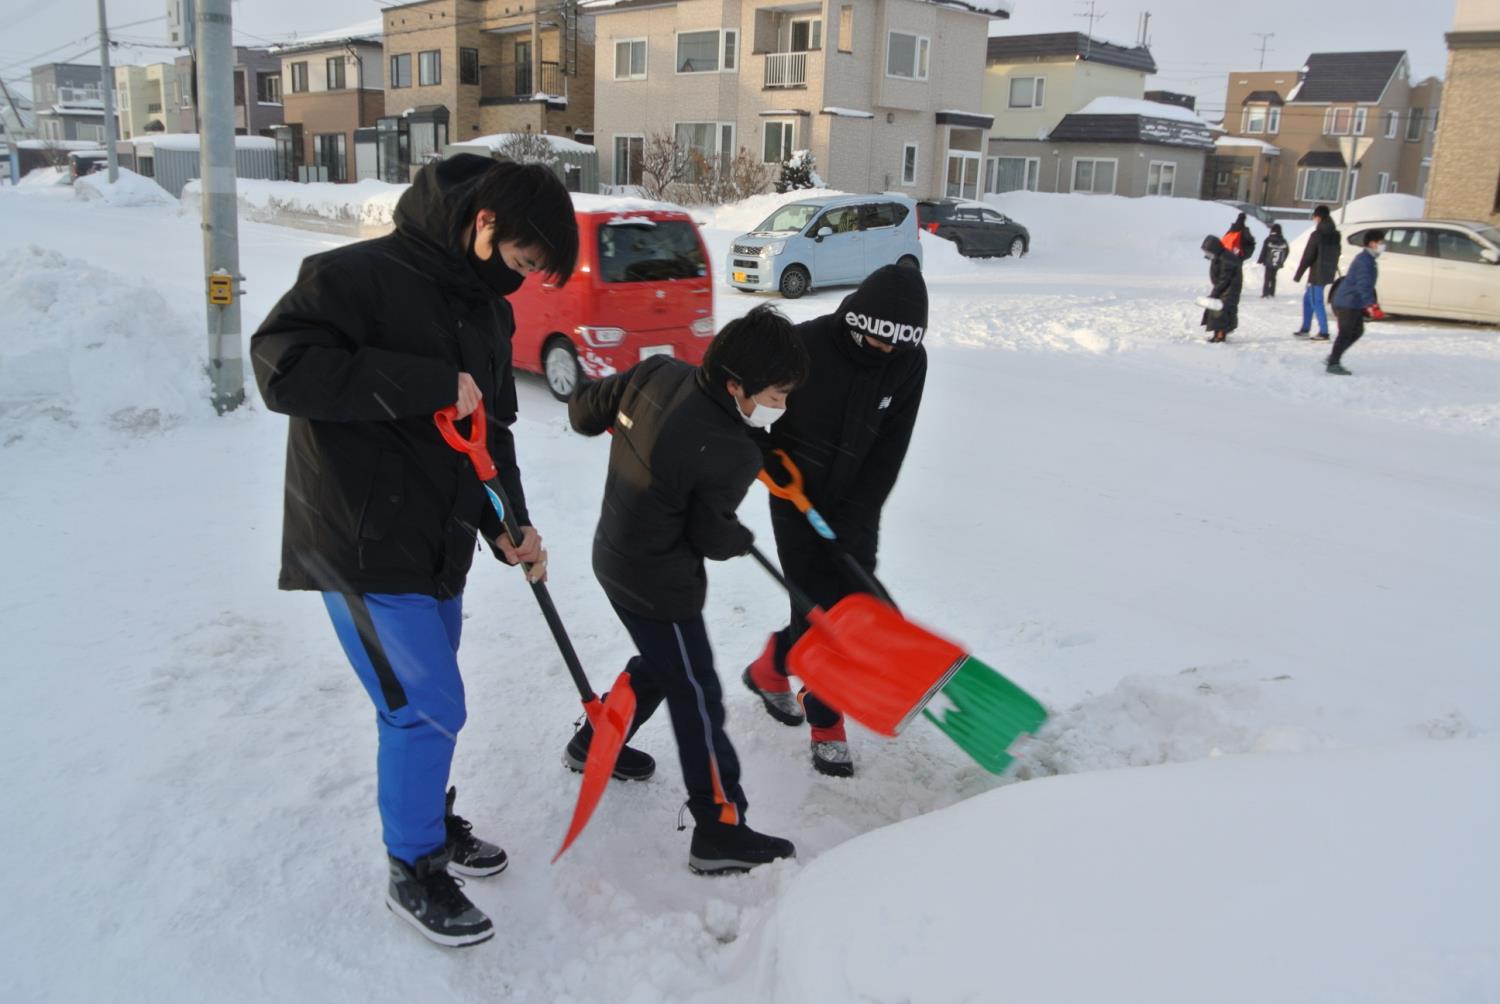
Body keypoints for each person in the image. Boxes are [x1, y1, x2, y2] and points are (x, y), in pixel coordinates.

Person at [251, 154, 579, 948]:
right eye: (524, 262)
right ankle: (413, 867)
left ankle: (427, 814)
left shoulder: (487, 312)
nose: (524, 283)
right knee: (426, 705)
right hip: (357, 542)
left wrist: (511, 524)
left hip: (436, 543)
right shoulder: (353, 276)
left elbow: (490, 432)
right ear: (485, 224)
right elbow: (281, 367)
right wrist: (423, 381)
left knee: (426, 712)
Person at [560, 305, 809, 875]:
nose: (782, 406)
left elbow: (582, 413)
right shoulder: (735, 451)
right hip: (660, 586)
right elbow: (708, 535)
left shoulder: (657, 372)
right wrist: (736, 531)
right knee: (697, 695)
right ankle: (720, 829)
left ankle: (595, 743)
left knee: (661, 663)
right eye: (776, 393)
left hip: (612, 558)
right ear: (736, 383)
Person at [742, 265, 928, 777]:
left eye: (897, 346)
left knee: (853, 605)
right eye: (876, 338)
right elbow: (748, 411)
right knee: (817, 610)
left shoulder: (909, 361)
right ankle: (826, 723)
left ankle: (769, 667)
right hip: (795, 492)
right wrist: (767, 458)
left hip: (856, 503)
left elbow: (892, 445)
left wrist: (862, 512)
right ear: (855, 319)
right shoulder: (803, 346)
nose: (884, 351)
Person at [1326, 229, 1384, 375]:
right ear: (1372, 244)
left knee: (1357, 331)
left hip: (1353, 302)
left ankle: (1334, 357)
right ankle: (1333, 363)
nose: (1383, 246)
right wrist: (1371, 305)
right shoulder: (1364, 261)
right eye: (1381, 243)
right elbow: (1363, 285)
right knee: (1345, 333)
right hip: (1347, 301)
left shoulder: (1369, 259)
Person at [1293, 204, 1340, 340]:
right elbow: (1338, 252)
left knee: (1316, 301)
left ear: (1318, 217)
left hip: (1317, 274)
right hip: (1327, 272)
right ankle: (1305, 328)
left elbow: (1308, 256)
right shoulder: (1336, 234)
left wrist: (1299, 274)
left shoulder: (1317, 234)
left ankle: (1324, 331)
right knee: (1307, 299)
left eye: (1314, 216)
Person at [1200, 234, 1243, 344]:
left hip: (1230, 289)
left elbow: (1224, 279)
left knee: (1221, 311)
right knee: (1216, 309)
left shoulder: (1226, 258)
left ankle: (1220, 336)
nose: (1207, 255)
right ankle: (1217, 335)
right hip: (1224, 288)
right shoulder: (1220, 256)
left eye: (1208, 252)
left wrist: (1215, 293)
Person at [1258, 223, 1290, 298]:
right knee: (1273, 277)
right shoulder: (1283, 240)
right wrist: (1282, 260)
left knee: (1267, 277)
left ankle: (1265, 293)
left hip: (1268, 261)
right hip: (1277, 262)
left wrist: (1260, 260)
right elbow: (1287, 251)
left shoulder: (1268, 239)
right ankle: (1272, 292)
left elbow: (1264, 250)